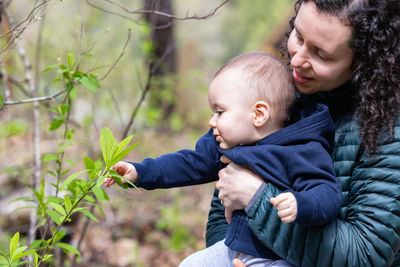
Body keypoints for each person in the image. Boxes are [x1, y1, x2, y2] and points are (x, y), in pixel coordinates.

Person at [207, 0, 400, 266]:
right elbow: (225, 198)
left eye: (321, 54)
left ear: (364, 61)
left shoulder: (388, 126)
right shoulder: (277, 93)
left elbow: (366, 253)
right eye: (298, 35)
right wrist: (232, 256)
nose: (296, 60)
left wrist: (257, 198)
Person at [104, 51, 342, 266]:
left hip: (278, 258)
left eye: (220, 111)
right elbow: (190, 163)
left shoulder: (301, 148)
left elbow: (327, 192)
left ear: (258, 114)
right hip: (231, 251)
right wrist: (140, 172)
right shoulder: (226, 141)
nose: (212, 121)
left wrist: (302, 204)